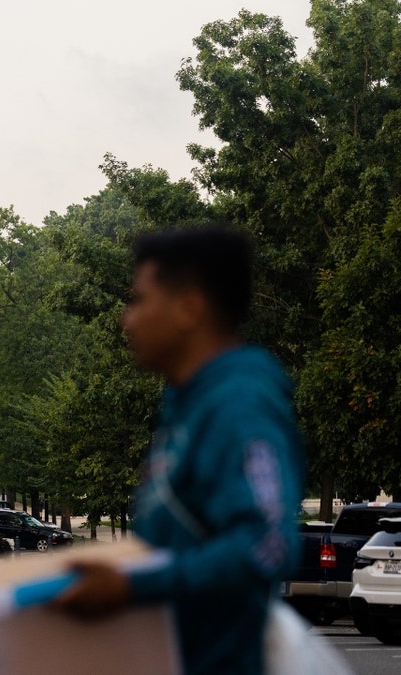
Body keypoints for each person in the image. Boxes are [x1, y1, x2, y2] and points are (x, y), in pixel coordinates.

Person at [53, 228, 304, 674]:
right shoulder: (186, 404)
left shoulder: (239, 405)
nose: (127, 320)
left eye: (140, 300)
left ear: (189, 307)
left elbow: (268, 543)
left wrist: (134, 586)